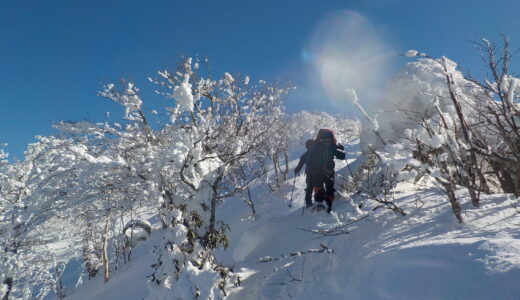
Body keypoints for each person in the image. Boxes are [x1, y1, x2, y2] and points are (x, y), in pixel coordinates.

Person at [305, 129, 345, 213]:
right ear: (322, 140)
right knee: (319, 187)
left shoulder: (333, 147)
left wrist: (341, 150)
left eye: (329, 141)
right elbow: (309, 157)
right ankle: (319, 203)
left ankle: (328, 203)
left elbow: (341, 157)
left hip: (329, 171)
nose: (327, 143)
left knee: (330, 188)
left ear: (331, 140)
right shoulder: (317, 146)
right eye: (325, 141)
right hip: (318, 171)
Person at [294, 139, 315, 208]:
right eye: (310, 145)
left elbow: (300, 164)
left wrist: (297, 170)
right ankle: (312, 202)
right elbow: (300, 164)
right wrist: (297, 169)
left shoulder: (305, 155)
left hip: (311, 173)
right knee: (313, 187)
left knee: (310, 188)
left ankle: (309, 203)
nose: (310, 147)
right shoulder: (318, 152)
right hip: (314, 173)